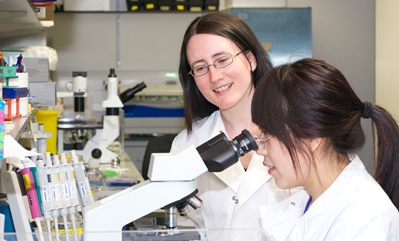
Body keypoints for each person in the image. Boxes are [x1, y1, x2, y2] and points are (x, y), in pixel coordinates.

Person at [170, 12, 301, 241]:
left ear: (250, 59)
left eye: (222, 60)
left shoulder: (302, 131)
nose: (215, 76)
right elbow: (185, 228)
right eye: (200, 68)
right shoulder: (187, 144)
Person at [251, 58, 399, 240]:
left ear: (312, 137)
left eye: (266, 134)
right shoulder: (310, 201)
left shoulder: (364, 220)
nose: (260, 149)